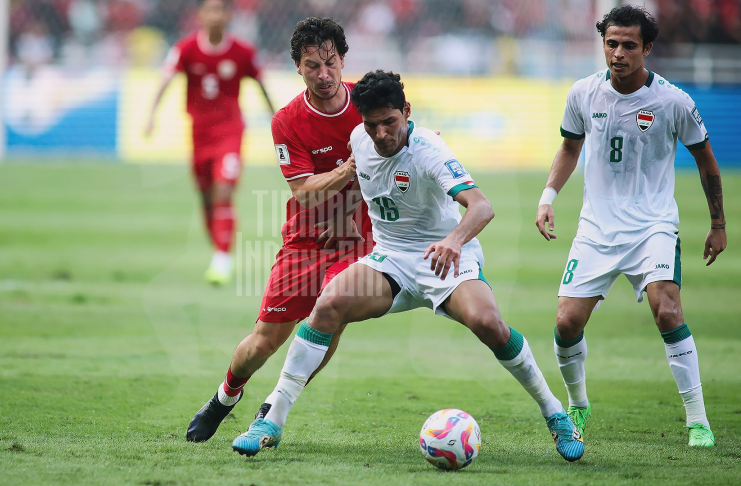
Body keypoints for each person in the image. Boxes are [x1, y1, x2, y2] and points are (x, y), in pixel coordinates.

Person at [231, 70, 585, 463]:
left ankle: (556, 413)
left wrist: (453, 240)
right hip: (392, 258)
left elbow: (482, 206)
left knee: (489, 324)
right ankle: (271, 420)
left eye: (390, 122)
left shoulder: (428, 149)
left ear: (407, 112)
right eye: (372, 124)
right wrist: (345, 219)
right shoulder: (359, 141)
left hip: (446, 256)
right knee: (328, 306)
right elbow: (363, 183)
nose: (381, 133)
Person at [535, 5, 726, 447]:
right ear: (603, 43)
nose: (618, 53)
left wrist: (718, 223)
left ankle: (697, 419)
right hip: (596, 229)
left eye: (629, 45)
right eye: (611, 43)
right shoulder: (583, 93)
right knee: (565, 323)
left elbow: (705, 159)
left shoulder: (673, 101)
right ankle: (578, 404)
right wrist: (547, 198)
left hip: (652, 226)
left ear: (647, 48)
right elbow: (569, 147)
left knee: (668, 310)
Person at [186, 17, 374, 443]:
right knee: (265, 340)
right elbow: (304, 192)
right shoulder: (287, 120)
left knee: (332, 314)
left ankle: (275, 404)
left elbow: (397, 155)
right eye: (312, 66)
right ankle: (224, 396)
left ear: (343, 60)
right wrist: (347, 170)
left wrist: (352, 206)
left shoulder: (368, 104)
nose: (323, 74)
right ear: (298, 68)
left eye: (330, 63)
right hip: (305, 237)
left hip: (355, 236)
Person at [145, 0, 275, 285]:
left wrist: (277, 121)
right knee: (206, 198)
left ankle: (222, 260)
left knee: (224, 191)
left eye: (221, 10)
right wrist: (151, 115)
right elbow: (165, 79)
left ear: (229, 15)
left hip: (230, 133)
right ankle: (219, 250)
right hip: (199, 135)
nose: (215, 16)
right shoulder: (185, 49)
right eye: (210, 10)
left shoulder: (243, 52)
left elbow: (261, 84)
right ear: (200, 15)